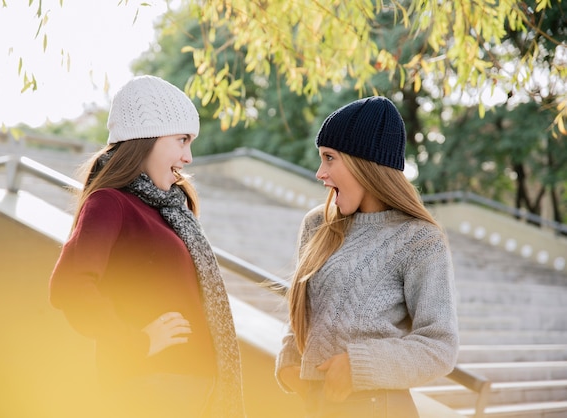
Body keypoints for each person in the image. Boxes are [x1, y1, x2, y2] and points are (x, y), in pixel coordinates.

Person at [49, 75, 245, 418]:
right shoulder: (111, 202)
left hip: (190, 391)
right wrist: (137, 341)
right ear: (146, 140)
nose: (188, 157)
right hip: (151, 389)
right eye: (182, 140)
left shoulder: (168, 208)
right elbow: (70, 286)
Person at [275, 97, 459, 417]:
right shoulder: (317, 225)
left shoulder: (419, 239)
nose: (320, 172)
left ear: (364, 162)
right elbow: (304, 313)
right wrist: (289, 361)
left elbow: (440, 347)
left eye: (330, 158)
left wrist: (357, 366)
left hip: (379, 406)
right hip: (315, 405)